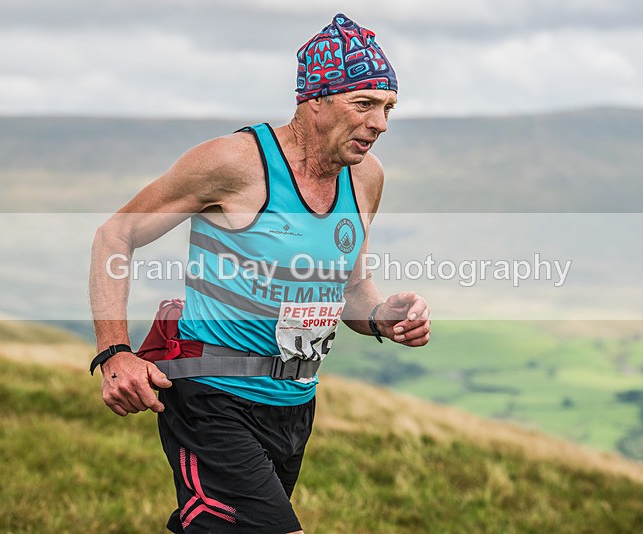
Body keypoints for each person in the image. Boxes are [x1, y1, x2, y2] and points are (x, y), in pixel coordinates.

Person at [89, 13, 430, 533]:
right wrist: (115, 354)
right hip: (212, 400)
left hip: (294, 406)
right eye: (364, 104)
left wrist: (385, 318)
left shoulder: (366, 179)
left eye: (388, 108)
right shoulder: (236, 163)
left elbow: (352, 289)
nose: (381, 123)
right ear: (315, 100)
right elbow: (116, 235)